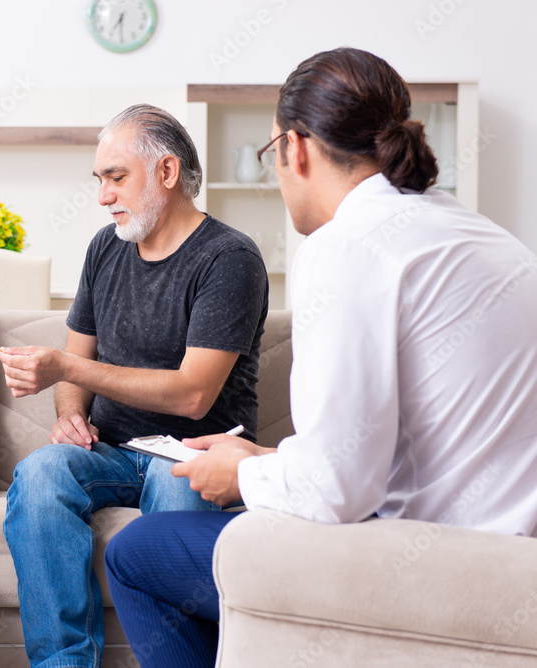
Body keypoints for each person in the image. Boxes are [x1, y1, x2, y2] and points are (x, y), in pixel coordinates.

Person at [104, 47, 537, 668]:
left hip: (435, 568)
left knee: (137, 553)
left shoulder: (347, 246)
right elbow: (412, 446)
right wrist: (269, 456)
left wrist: (241, 476)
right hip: (509, 559)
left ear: (295, 148)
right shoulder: (483, 236)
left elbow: (338, 489)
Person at [0, 104, 268, 667]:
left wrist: (68, 372)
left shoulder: (229, 258)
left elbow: (193, 394)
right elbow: (78, 354)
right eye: (99, 180)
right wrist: (70, 413)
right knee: (41, 473)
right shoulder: (105, 248)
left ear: (166, 173)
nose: (102, 196)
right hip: (113, 450)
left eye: (116, 178)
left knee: (175, 491)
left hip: (192, 451)